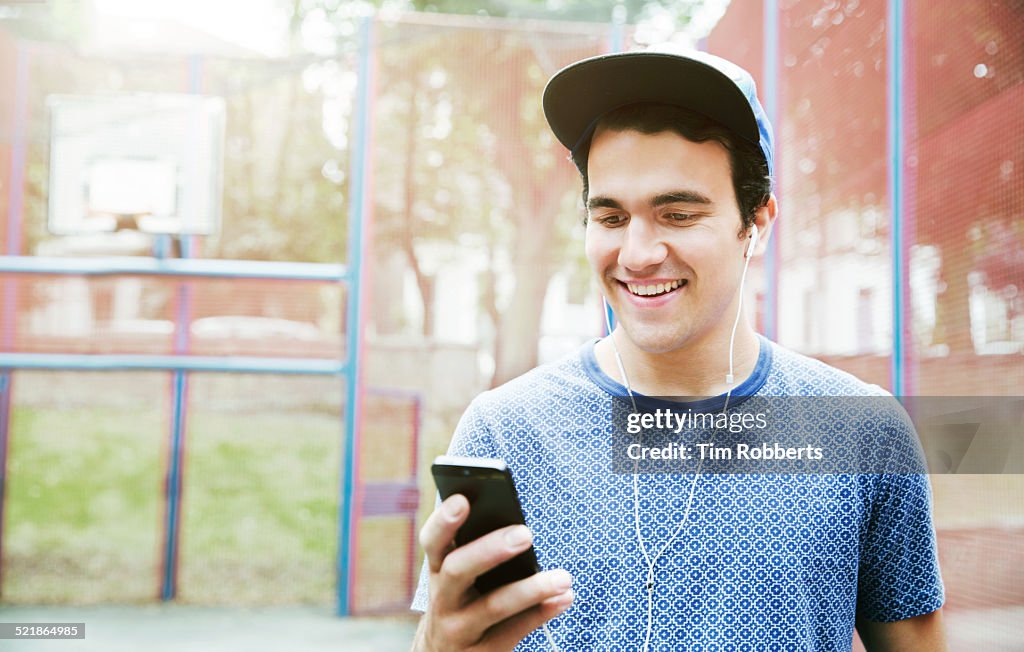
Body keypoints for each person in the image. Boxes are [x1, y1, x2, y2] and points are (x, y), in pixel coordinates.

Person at [410, 46, 946, 651]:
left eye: (678, 213)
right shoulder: (505, 431)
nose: (637, 254)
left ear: (758, 223)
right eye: (610, 218)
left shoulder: (861, 430)